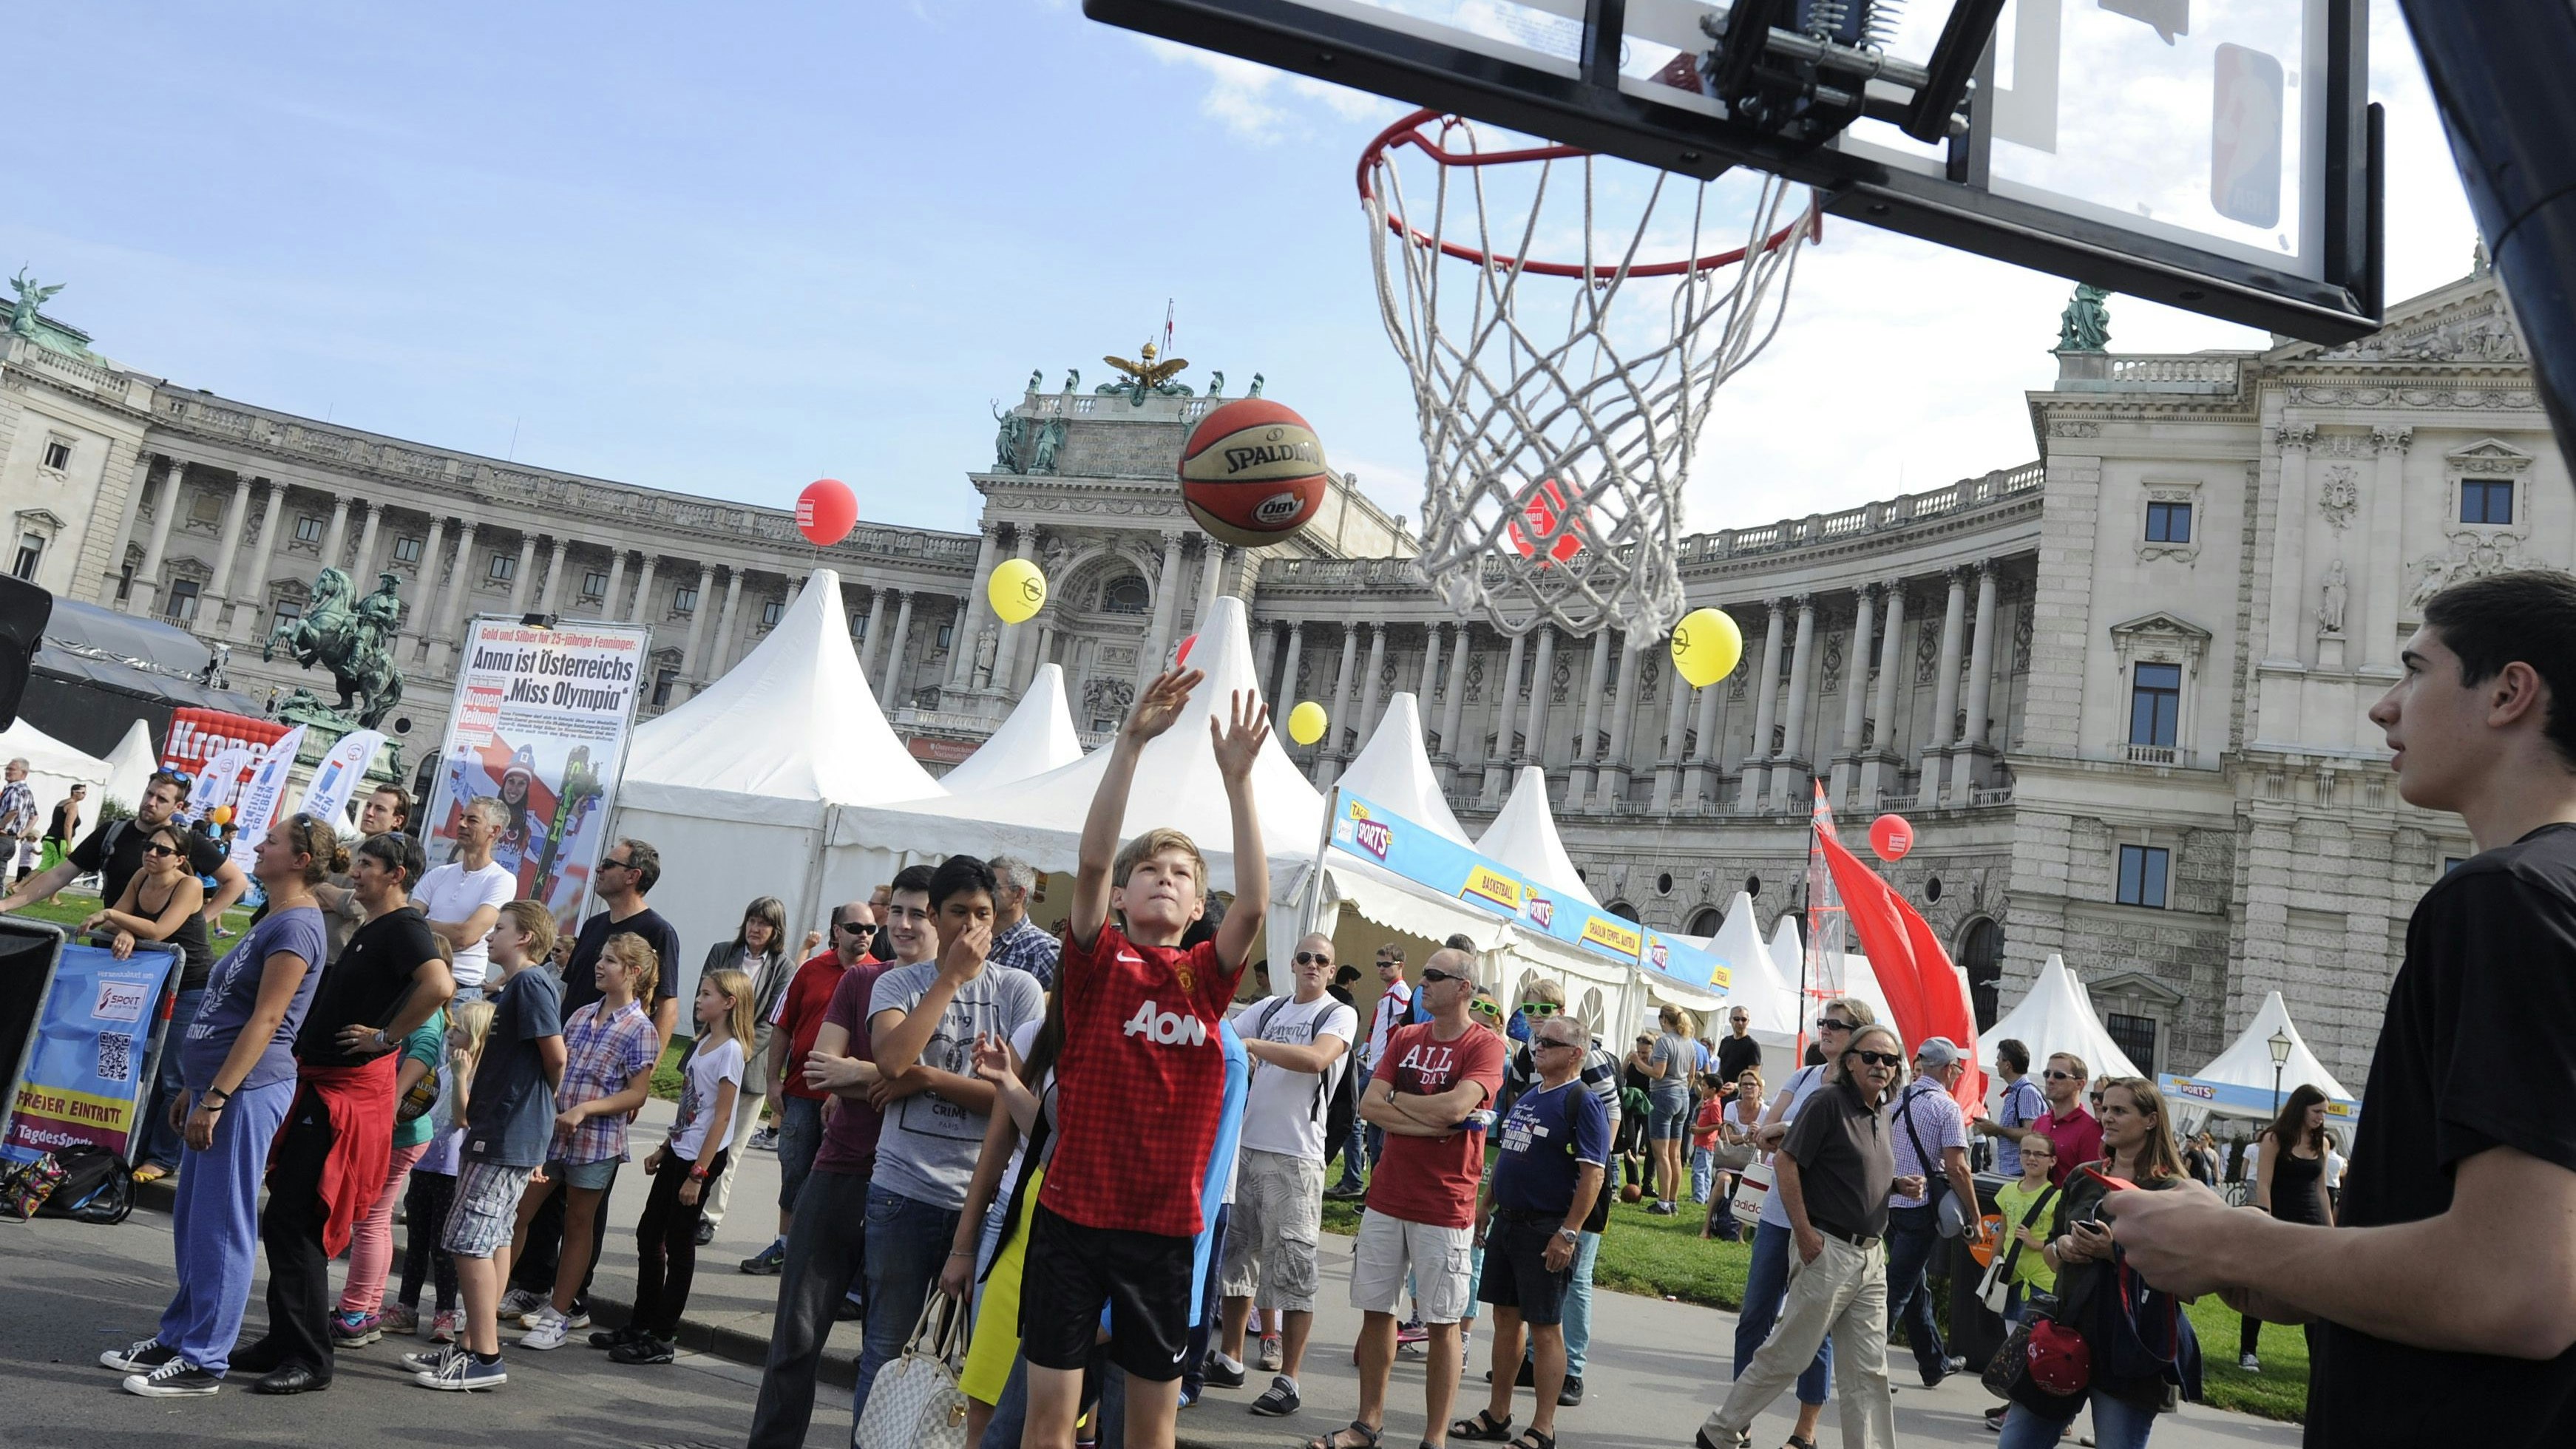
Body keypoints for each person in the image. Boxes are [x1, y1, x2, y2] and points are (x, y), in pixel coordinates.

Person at [2105, 574, 2576, 1448]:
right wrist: (2288, 1270)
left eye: (2414, 671)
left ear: (2509, 692)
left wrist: (2233, 1249)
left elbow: (2516, 1289)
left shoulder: (2502, 899)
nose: (2383, 709)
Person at [1020, 671, 1267, 1449]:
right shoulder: (1100, 962)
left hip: (1161, 1234)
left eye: (1182, 874)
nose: (1165, 878)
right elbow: (1090, 865)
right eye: (1149, 871)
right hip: (1071, 1220)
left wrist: (1239, 781)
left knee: (1147, 1432)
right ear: (1124, 897)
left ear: (1199, 908)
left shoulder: (1205, 980)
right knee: (1050, 1421)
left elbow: (1255, 906)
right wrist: (1129, 743)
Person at [104, 814, 336, 1398]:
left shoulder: (299, 926)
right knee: (192, 1221)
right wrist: (192, 1086)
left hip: (248, 1091)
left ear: (302, 860)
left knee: (223, 1224)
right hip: (216, 1087)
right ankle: (181, 1335)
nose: (259, 845)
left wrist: (217, 1094)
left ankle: (205, 1359)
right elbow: (228, 1012)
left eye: (274, 841)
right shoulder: (273, 918)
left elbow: (266, 1020)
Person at [231, 829, 453, 1394]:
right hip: (324, 1083)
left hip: (345, 1096)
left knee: (297, 1220)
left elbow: (440, 984)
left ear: (397, 875)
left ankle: (309, 1358)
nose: (355, 871)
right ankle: (287, 1340)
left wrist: (385, 1037)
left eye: (368, 864)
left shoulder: (404, 926)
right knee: (285, 1216)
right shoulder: (376, 924)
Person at [744, 878, 925, 1449]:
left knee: (887, 1350)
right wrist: (898, 1079)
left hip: (913, 1186)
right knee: (795, 1334)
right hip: (840, 1167)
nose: (900, 924)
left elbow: (964, 1090)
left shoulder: (958, 994)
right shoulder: (862, 978)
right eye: (892, 911)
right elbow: (821, 1069)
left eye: (917, 914)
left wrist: (882, 1075)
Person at [861, 855, 1044, 1418]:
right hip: (902, 1193)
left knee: (962, 1364)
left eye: (982, 914)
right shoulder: (900, 981)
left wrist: (926, 1077)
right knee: (889, 1352)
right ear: (935, 917)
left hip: (985, 1204)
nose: (971, 927)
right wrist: (949, 980)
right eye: (958, 912)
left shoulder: (1020, 990)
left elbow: (1011, 1104)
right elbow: (891, 1060)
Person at [1307, 947, 1502, 1449]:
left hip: (1445, 1203)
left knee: (1442, 1323)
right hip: (1387, 1197)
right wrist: (1431, 1117)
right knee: (1377, 1313)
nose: (1422, 982)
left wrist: (1408, 1107)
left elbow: (1459, 1107)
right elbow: (1372, 1105)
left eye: (1434, 976)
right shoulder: (1405, 1036)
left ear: (1464, 987)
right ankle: (1366, 1424)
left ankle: (1433, 1439)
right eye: (1423, 974)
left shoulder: (1485, 1045)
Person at [1698, 1022, 1913, 1449]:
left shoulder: (1882, 1110)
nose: (1882, 1066)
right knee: (1789, 1354)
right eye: (1871, 1057)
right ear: (1850, 1062)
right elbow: (1786, 1163)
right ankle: (1719, 1432)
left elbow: (1849, 1170)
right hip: (1827, 1248)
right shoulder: (1827, 1102)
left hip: (1871, 1256)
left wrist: (1894, 1184)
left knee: (1870, 1371)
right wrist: (1805, 1233)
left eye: (1891, 1060)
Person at [506, 838, 679, 1322]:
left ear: (634, 875)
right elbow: (574, 993)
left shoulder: (656, 930)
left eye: (609, 864)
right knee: (538, 1198)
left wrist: (639, 1081)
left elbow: (666, 1004)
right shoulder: (596, 926)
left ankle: (572, 1299)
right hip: (573, 1066)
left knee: (584, 1207)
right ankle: (532, 1285)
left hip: (609, 1088)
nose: (598, 870)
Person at [410, 900, 564, 1392]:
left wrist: (530, 1111)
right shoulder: (515, 985)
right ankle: (473, 1345)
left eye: (500, 928)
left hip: (506, 1132)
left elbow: (555, 1058)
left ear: (524, 938)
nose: (491, 936)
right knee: (492, 1237)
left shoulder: (532, 982)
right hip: (498, 1127)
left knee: (469, 1239)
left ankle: (485, 1356)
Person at [1997, 1078, 2202, 1449]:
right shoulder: (2082, 1177)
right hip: (2064, 1331)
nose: (2107, 1117)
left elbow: (2190, 1282)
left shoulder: (2173, 1190)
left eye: (2120, 1111)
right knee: (2016, 1444)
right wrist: (2061, 1247)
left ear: (2152, 1120)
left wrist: (2115, 1254)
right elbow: (2050, 1255)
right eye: (2104, 1108)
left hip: (2130, 1346)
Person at [1213, 930, 1357, 1415]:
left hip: (1297, 1157)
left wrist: (1253, 1044)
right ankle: (1231, 1357)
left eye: (1322, 960)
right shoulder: (1272, 1007)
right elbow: (1222, 1034)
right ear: (1290, 964)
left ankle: (1290, 1379)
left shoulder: (1337, 1013)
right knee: (1238, 1260)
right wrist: (1244, 1040)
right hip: (1249, 1147)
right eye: (1304, 958)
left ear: (1332, 971)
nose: (1312, 965)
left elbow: (1318, 1059)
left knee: (1295, 1269)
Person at [1453, 1011, 1607, 1449]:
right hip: (1509, 1223)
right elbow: (1509, 1154)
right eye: (1537, 1041)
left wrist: (1569, 1232)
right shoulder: (1529, 1095)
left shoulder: (1582, 1101)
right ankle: (1498, 1414)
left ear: (1575, 1053)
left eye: (1549, 1043)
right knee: (1505, 1319)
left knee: (1545, 1326)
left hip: (1547, 1229)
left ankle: (1543, 1427)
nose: (1537, 1047)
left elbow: (1592, 1174)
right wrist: (1486, 1206)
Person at [1730, 998, 1876, 1449]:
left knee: (1814, 1327)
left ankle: (1805, 1430)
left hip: (1826, 1222)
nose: (1826, 1029)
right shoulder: (1806, 1075)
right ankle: (1738, 1417)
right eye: (1823, 1022)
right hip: (1778, 1214)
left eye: (1837, 1024)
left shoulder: (1864, 1091)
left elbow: (1789, 1135)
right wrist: (1790, 1132)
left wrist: (1789, 1132)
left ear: (1858, 1034)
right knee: (1754, 1315)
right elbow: (1765, 1132)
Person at [514, 932, 660, 1351]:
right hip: (552, 1133)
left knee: (579, 1224)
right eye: (601, 957)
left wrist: (586, 1110)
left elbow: (637, 1094)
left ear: (633, 972)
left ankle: (559, 1314)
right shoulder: (579, 1015)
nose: (599, 966)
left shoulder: (640, 1028)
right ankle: (491, 1295)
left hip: (596, 1141)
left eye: (610, 961)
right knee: (520, 1211)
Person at [609, 966, 751, 1363]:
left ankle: (663, 1336)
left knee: (678, 1242)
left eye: (707, 994)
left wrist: (697, 1175)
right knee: (648, 1234)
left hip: (701, 1161)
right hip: (682, 1152)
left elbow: (721, 1118)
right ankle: (641, 1323)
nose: (699, 999)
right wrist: (665, 1148)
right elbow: (693, 1108)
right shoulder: (705, 1041)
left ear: (729, 1002)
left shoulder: (731, 1051)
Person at [1494, 977, 1621, 1404]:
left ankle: (1572, 1372)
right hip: (1514, 1214)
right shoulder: (1527, 1069)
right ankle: (1510, 1392)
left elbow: (1608, 1120)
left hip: (1567, 1197)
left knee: (1571, 1285)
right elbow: (1513, 1135)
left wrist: (1571, 1223)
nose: (1537, 1031)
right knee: (1511, 1312)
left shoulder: (1589, 1078)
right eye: (1530, 1011)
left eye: (1547, 1015)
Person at [741, 897, 875, 1278]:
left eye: (870, 929)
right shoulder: (811, 971)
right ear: (836, 931)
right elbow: (783, 1025)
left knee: (842, 1183)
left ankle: (827, 1260)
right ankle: (785, 1247)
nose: (864, 935)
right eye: (855, 928)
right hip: (801, 1094)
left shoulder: (880, 976)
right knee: (795, 1172)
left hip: (851, 1101)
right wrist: (772, 1080)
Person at [330, 949, 454, 1346]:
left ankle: (353, 1313)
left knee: (368, 1221)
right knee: (376, 1221)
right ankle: (366, 1310)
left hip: (399, 1133)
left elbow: (424, 1053)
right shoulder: (414, 1004)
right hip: (402, 1131)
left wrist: (389, 1104)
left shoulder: (426, 1010)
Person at [82, 821, 211, 1184]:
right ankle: (138, 1146)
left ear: (180, 859)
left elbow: (157, 930)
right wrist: (123, 927)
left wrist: (111, 916)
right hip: (156, 982)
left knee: (172, 1074)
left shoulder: (190, 885)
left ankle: (164, 1155)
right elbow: (129, 918)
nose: (152, 854)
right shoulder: (141, 876)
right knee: (148, 1071)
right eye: (149, 847)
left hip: (191, 985)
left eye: (163, 850)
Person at [390, 1000, 494, 1343]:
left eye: (460, 1030)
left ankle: (446, 1311)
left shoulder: (476, 1075)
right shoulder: (446, 1067)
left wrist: (462, 1076)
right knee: (417, 1241)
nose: (450, 1032)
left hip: (453, 1171)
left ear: (477, 1039)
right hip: (425, 1163)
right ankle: (406, 1306)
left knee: (444, 1247)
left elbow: (464, 1118)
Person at [696, 895, 794, 1243]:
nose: (756, 928)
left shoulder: (784, 966)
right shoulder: (723, 951)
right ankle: (687, 1200)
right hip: (708, 1058)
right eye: (752, 920)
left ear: (776, 930)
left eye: (764, 923)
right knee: (695, 1132)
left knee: (731, 1146)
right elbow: (703, 997)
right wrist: (715, 1047)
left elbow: (773, 1019)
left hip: (750, 1068)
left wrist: (740, 1052)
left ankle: (710, 1215)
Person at [1884, 1035, 1976, 1390]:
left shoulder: (1896, 1099)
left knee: (1913, 1286)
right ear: (1949, 1069)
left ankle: (1934, 1362)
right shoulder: (1946, 1106)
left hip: (1892, 1202)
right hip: (1921, 1207)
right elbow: (1958, 1168)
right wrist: (1975, 1215)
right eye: (1957, 1067)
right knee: (1898, 1290)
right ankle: (1868, 1367)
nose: (1958, 1073)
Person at [2235, 1084, 2336, 1374]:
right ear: (2301, 1108)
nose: (2321, 1118)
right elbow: (2263, 1183)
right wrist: (2267, 1221)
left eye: (2324, 1113)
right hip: (2280, 1218)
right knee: (2262, 1286)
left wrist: (2330, 1230)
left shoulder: (2322, 1143)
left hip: (2313, 1222)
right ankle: (2248, 1351)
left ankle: (2317, 1359)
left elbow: (2321, 1190)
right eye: (2316, 1111)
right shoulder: (2275, 1139)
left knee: (2314, 1294)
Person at [412, 796, 517, 1005]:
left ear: (494, 831)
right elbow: (405, 926)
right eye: (461, 817)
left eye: (472, 820)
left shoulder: (501, 880)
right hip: (418, 980)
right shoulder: (438, 874)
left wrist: (420, 926)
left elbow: (465, 936)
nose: (462, 824)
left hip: (460, 990)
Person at [1329, 943, 1412, 1201]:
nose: (1380, 969)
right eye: (1378, 964)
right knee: (1370, 1127)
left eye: (1386, 964)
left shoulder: (1399, 992)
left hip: (1382, 1071)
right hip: (1377, 1066)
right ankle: (1371, 1185)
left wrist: (1388, 1063)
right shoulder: (1391, 992)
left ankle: (1360, 1180)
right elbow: (1380, 1027)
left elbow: (1402, 1030)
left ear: (1400, 966)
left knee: (1351, 1114)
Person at [311, 784, 411, 958]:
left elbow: (357, 905)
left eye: (379, 809)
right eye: (368, 805)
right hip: (311, 949)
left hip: (344, 957)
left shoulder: (396, 857)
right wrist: (339, 900)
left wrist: (321, 888)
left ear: (397, 820)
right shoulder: (341, 849)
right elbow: (303, 892)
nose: (369, 812)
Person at [1701, 1066, 1762, 1241]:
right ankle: (1706, 1228)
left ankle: (1739, 1233)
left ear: (1759, 1088)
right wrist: (1745, 1136)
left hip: (1751, 1164)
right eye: (1744, 1085)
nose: (1748, 1088)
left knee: (1750, 1184)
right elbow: (1725, 1137)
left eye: (1752, 1084)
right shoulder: (1731, 1107)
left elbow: (1767, 1141)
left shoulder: (1766, 1111)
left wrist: (1757, 1134)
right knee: (1723, 1180)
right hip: (1729, 1161)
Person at [1644, 1005, 1695, 1215]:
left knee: (1661, 1153)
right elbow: (1692, 1075)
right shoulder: (1689, 1043)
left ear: (1664, 1019)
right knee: (1676, 1154)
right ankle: (1673, 1201)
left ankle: (1663, 1202)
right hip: (1683, 1095)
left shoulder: (1664, 1041)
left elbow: (1658, 1073)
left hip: (1664, 1095)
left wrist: (1637, 1062)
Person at [983, 854, 1061, 985]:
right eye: (982, 886)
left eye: (993, 887)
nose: (984, 892)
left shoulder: (1044, 950)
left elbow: (1066, 1000)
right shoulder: (974, 936)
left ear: (1019, 895)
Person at [1971, 1039, 2043, 1180]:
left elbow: (2030, 1133)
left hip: (2020, 1172)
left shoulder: (2026, 1092)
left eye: (1999, 1060)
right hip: (2013, 1171)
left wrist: (1998, 1130)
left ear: (2008, 1065)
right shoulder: (2015, 1092)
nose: (1996, 1064)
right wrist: (1992, 1130)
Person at [2028, 1051, 2101, 1187]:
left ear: (2079, 1084)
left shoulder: (2091, 1131)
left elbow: (2090, 1186)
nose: (2050, 1080)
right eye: (2047, 1074)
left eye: (2059, 1075)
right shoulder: (2040, 1122)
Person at [37, 781, 84, 878]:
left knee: (43, 868)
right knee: (60, 872)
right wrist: (69, 846)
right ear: (75, 792)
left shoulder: (61, 803)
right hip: (60, 841)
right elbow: (68, 826)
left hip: (49, 838)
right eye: (82, 792)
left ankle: (19, 887)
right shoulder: (73, 805)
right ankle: (51, 892)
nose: (84, 795)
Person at [0, 758, 35, 882]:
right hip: (10, 840)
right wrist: (23, 833)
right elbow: (34, 816)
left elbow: (13, 811)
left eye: (12, 769)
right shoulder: (26, 791)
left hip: (3, 837)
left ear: (24, 773)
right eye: (7, 769)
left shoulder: (14, 789)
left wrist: (1, 825)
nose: (8, 772)